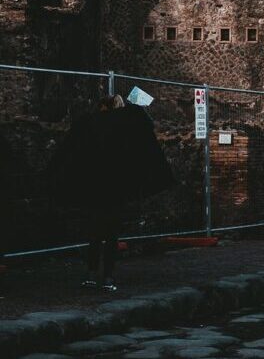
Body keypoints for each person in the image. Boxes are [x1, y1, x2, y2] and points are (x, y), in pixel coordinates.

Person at [47, 95, 174, 293]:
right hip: (115, 191)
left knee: (95, 235)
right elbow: (144, 126)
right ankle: (107, 276)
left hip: (95, 190)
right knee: (110, 236)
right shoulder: (125, 130)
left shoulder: (88, 126)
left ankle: (92, 274)